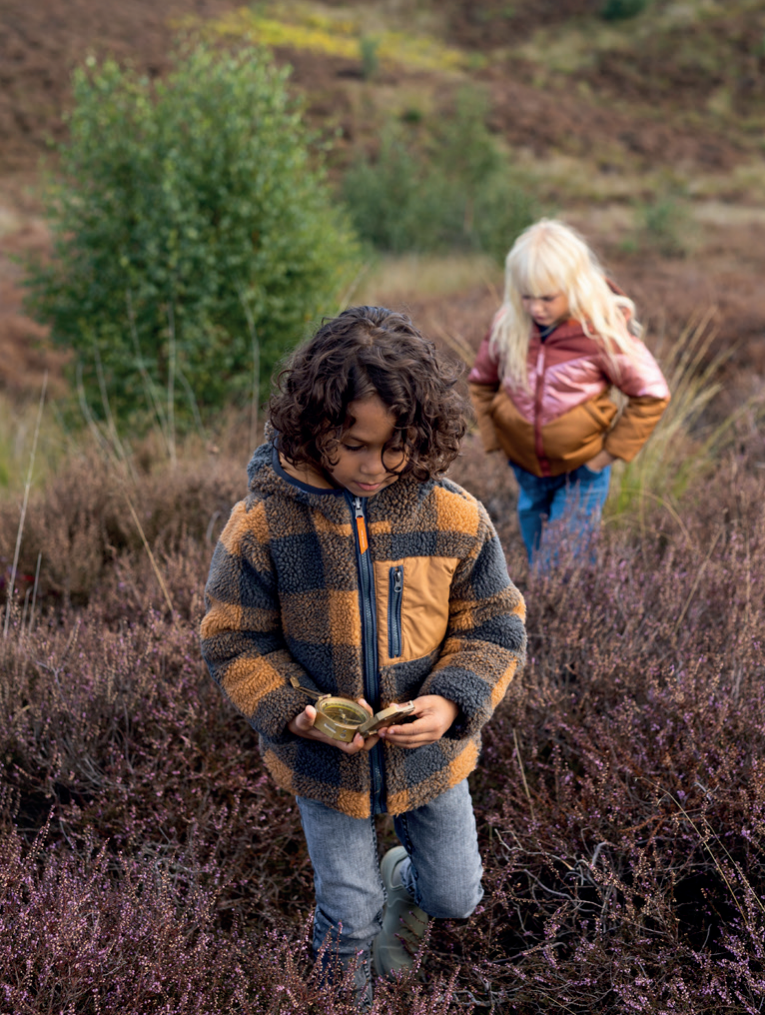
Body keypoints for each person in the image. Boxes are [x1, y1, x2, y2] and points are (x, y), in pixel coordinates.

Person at [200, 306, 526, 1008]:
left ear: (420, 434)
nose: (372, 466)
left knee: (456, 895)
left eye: (393, 447)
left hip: (430, 756)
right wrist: (296, 711)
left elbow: (494, 624)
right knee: (349, 915)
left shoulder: (455, 517)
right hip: (324, 763)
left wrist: (451, 702)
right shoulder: (263, 524)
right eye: (352, 445)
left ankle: (402, 875)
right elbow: (233, 639)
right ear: (312, 424)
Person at [468, 218, 671, 566]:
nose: (536, 308)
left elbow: (652, 393)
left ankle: (566, 600)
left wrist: (603, 457)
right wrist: (498, 442)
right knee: (537, 557)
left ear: (574, 285)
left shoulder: (600, 330)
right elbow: (481, 383)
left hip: (582, 472)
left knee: (560, 567)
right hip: (526, 469)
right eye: (526, 296)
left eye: (547, 297)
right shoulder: (508, 324)